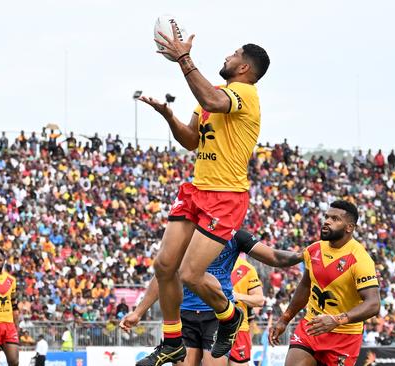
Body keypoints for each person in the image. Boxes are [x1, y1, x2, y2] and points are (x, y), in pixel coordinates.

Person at [137, 21, 270, 366]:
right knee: (164, 265)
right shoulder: (210, 96)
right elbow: (192, 140)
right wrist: (169, 117)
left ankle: (229, 317)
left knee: (191, 274)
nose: (227, 56)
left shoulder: (246, 95)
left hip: (225, 196)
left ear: (244, 67)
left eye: (234, 54)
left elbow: (211, 97)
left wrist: (184, 59)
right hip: (197, 189)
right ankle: (171, 341)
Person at [121, 229, 300, 366]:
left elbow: (274, 257)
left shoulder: (236, 236)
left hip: (218, 317)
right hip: (185, 315)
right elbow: (164, 274)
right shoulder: (186, 233)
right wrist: (138, 312)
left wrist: (303, 255)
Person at [269, 200, 381, 366]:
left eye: (335, 219)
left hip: (344, 336)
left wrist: (337, 320)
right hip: (311, 327)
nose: (327, 221)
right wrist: (285, 319)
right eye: (327, 217)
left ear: (349, 227)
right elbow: (305, 286)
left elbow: (373, 303)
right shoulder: (315, 249)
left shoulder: (360, 259)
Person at [229, 255, 263, 365]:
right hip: (209, 326)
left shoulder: (246, 268)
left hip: (238, 329)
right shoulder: (206, 262)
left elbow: (259, 300)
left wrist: (237, 296)